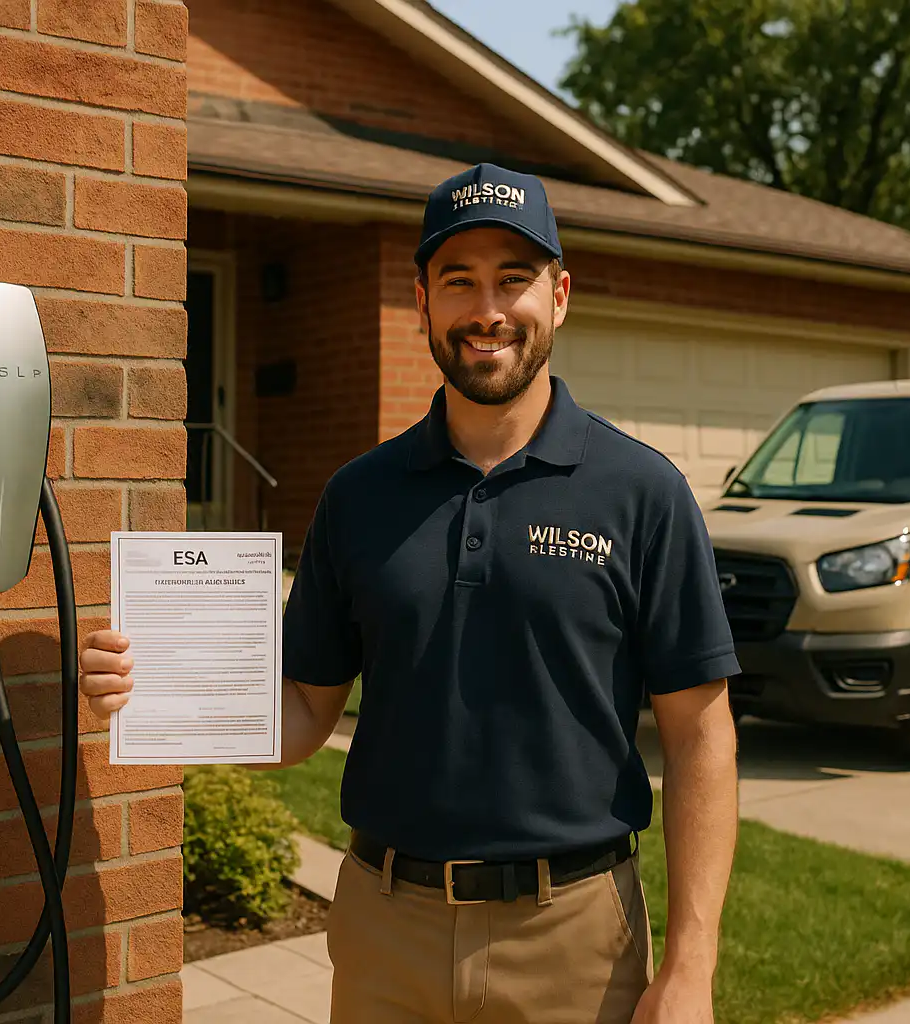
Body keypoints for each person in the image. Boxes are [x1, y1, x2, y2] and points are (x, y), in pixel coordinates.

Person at [78, 162, 741, 1023]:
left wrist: (691, 965)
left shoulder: (642, 493)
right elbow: (306, 712)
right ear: (421, 299)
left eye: (515, 279)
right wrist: (156, 691)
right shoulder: (359, 497)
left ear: (561, 295)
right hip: (385, 928)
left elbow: (701, 736)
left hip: (574, 939)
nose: (488, 310)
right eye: (458, 280)